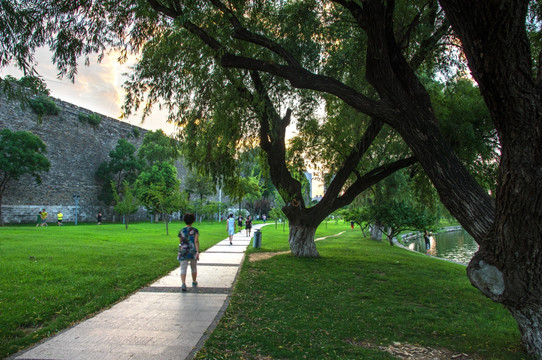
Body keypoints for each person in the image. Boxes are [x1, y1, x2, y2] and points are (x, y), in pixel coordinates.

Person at [177, 213, 200, 292]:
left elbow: (180, 241)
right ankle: (194, 281)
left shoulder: (181, 230)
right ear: (193, 221)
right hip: (192, 250)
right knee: (193, 267)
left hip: (183, 251)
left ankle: (183, 283)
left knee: (183, 268)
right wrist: (197, 251)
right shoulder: (195, 230)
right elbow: (196, 241)